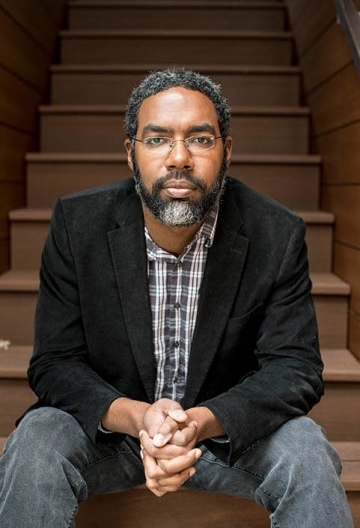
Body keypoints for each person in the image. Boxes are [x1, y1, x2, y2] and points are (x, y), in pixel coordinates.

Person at [0, 68, 353, 527]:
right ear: (131, 153)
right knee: (36, 440)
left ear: (227, 151)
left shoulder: (276, 233)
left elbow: (295, 369)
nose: (179, 158)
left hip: (228, 436)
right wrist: (140, 418)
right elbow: (54, 364)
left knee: (305, 449)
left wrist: (199, 424)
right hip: (115, 436)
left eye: (201, 140)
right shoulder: (77, 224)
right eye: (158, 139)